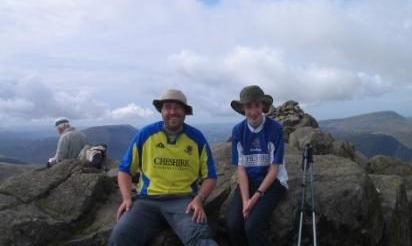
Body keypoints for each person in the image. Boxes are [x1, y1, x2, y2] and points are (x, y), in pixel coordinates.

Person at [108, 89, 218, 246]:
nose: (172, 112)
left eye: (178, 107)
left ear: (185, 111)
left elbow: (211, 176)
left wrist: (199, 199)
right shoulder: (146, 134)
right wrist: (126, 198)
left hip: (183, 201)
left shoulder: (196, 138)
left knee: (200, 239)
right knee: (120, 236)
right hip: (146, 201)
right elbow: (125, 170)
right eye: (167, 107)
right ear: (161, 110)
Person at [226, 85, 288, 246]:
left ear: (263, 106)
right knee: (233, 224)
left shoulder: (275, 129)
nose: (253, 111)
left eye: (257, 105)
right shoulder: (238, 130)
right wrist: (246, 200)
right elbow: (241, 168)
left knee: (252, 227)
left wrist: (255, 199)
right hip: (249, 180)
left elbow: (274, 168)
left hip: (273, 183)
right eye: (248, 106)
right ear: (243, 108)